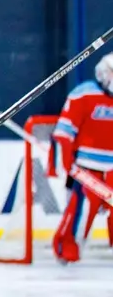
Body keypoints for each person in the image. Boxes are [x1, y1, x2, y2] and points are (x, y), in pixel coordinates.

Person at [49, 52, 113, 263]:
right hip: (88, 169)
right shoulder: (83, 94)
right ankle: (68, 247)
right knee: (82, 211)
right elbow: (63, 134)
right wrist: (65, 166)